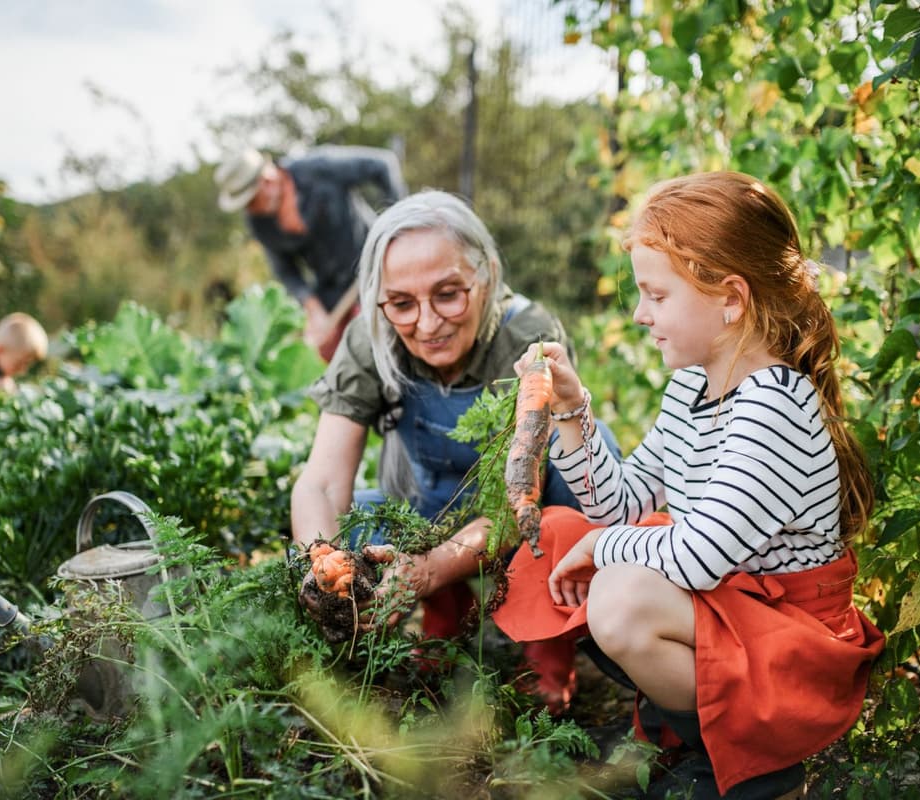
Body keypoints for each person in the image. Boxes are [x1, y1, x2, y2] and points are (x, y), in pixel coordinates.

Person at [494, 172, 885, 799]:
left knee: (618, 594)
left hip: (792, 647)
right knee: (561, 536)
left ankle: (760, 771)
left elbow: (697, 560)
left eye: (655, 295)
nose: (639, 314)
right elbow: (617, 505)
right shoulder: (696, 385)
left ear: (730, 298)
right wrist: (570, 409)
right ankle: (692, 735)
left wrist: (603, 551)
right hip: (737, 611)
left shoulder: (776, 408)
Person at [290, 190, 619, 713]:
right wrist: (322, 568)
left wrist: (426, 569)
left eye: (448, 295)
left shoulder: (528, 339)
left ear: (486, 273)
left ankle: (548, 642)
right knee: (359, 525)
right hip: (427, 505)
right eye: (401, 303)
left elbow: (514, 505)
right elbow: (323, 482)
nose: (426, 323)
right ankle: (443, 619)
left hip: (521, 513)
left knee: (576, 495)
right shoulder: (369, 339)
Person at [215, 145, 406, 361]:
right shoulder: (259, 223)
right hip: (331, 287)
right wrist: (314, 310)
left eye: (251, 200)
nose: (250, 209)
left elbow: (383, 165)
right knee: (324, 350)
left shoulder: (317, 168)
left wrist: (396, 226)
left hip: (375, 264)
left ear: (267, 181)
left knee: (375, 336)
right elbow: (286, 272)